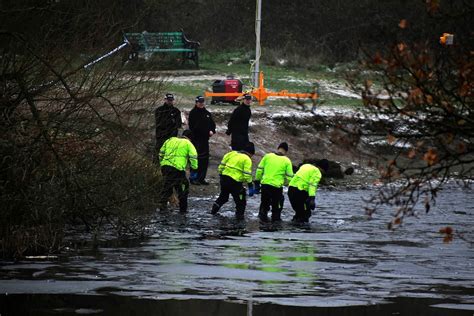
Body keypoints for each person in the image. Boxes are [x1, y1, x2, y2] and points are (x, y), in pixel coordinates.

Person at [211, 142, 255, 220]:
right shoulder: (247, 159)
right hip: (235, 182)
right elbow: (247, 174)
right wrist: (250, 185)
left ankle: (213, 212)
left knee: (223, 197)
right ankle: (239, 220)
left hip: (224, 179)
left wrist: (221, 175)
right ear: (250, 153)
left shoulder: (231, 154)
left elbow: (221, 166)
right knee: (240, 201)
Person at [158, 129, 198, 212]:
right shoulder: (188, 144)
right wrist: (194, 167)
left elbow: (161, 153)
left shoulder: (170, 140)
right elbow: (193, 157)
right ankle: (183, 209)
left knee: (167, 186)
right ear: (190, 138)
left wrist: (162, 163)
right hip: (177, 169)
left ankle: (162, 207)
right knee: (183, 187)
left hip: (165, 167)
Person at [254, 142, 294, 222]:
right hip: (277, 187)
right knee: (276, 209)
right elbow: (290, 177)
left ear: (278, 148)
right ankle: (275, 227)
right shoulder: (287, 161)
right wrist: (286, 183)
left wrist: (257, 182)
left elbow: (259, 170)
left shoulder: (267, 156)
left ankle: (262, 225)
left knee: (264, 206)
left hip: (265, 185)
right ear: (286, 151)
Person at [188, 95, 216, 185]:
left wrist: (212, 130)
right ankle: (193, 178)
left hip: (205, 140)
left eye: (202, 102)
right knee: (196, 159)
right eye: (200, 102)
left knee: (205, 160)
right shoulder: (193, 113)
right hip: (196, 140)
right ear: (196, 103)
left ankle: (201, 178)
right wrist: (205, 131)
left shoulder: (207, 113)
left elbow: (212, 124)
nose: (201, 104)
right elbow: (194, 127)